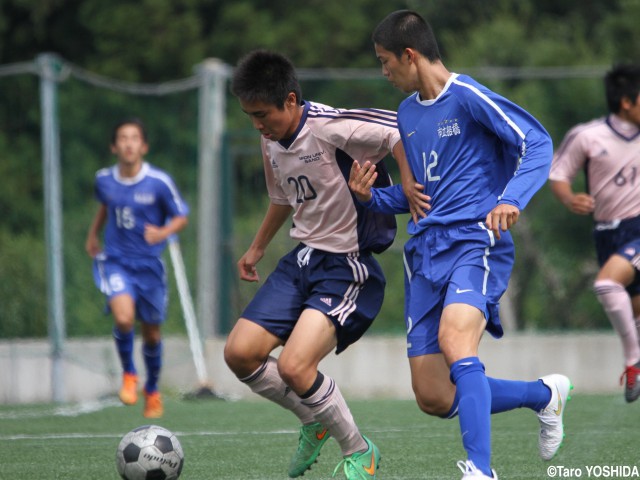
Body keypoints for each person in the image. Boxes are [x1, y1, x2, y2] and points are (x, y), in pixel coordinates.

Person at [347, 10, 573, 479]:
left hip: (476, 242)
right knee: (433, 395)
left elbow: (537, 141)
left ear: (410, 55)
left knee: (455, 340)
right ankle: (543, 395)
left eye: (385, 61)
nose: (383, 71)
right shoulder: (407, 114)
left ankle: (481, 470)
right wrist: (373, 196)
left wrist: (511, 198)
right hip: (426, 254)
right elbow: (421, 200)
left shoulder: (467, 96)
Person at [223, 49, 421, 480]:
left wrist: (407, 183)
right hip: (301, 261)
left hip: (347, 265)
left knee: (295, 367)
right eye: (249, 115)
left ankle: (359, 450)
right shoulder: (270, 140)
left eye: (262, 114)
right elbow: (282, 198)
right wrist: (257, 247)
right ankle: (314, 420)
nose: (257, 124)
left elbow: (397, 130)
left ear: (291, 101)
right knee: (239, 354)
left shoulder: (330, 126)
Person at [85, 118, 189, 418]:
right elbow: (107, 205)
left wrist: (163, 233)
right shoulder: (104, 179)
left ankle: (153, 390)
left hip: (149, 267)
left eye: (134, 138)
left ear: (143, 146)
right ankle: (129, 374)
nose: (128, 143)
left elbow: (180, 216)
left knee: (152, 335)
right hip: (116, 261)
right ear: (114, 146)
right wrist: (93, 234)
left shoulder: (158, 182)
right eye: (122, 138)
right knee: (123, 317)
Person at [549, 64, 640, 403]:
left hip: (638, 229)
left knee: (605, 283)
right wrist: (570, 198)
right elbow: (559, 175)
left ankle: (633, 363)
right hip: (606, 235)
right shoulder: (587, 136)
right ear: (627, 102)